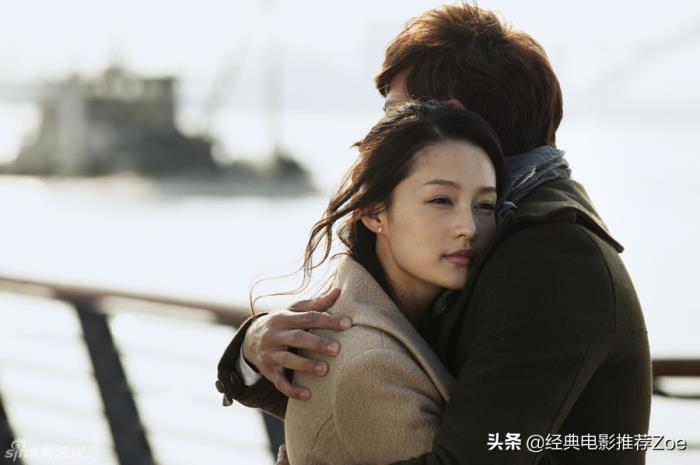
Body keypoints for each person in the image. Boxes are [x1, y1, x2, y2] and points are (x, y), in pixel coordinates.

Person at [216, 4, 652, 464]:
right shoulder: (478, 231)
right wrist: (253, 350)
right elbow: (367, 390)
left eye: (393, 113)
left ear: (446, 114)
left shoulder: (550, 258)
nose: (379, 134)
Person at [271, 101, 505, 464]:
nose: (469, 227)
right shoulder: (374, 365)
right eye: (441, 200)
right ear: (373, 212)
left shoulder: (376, 319)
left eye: (485, 205)